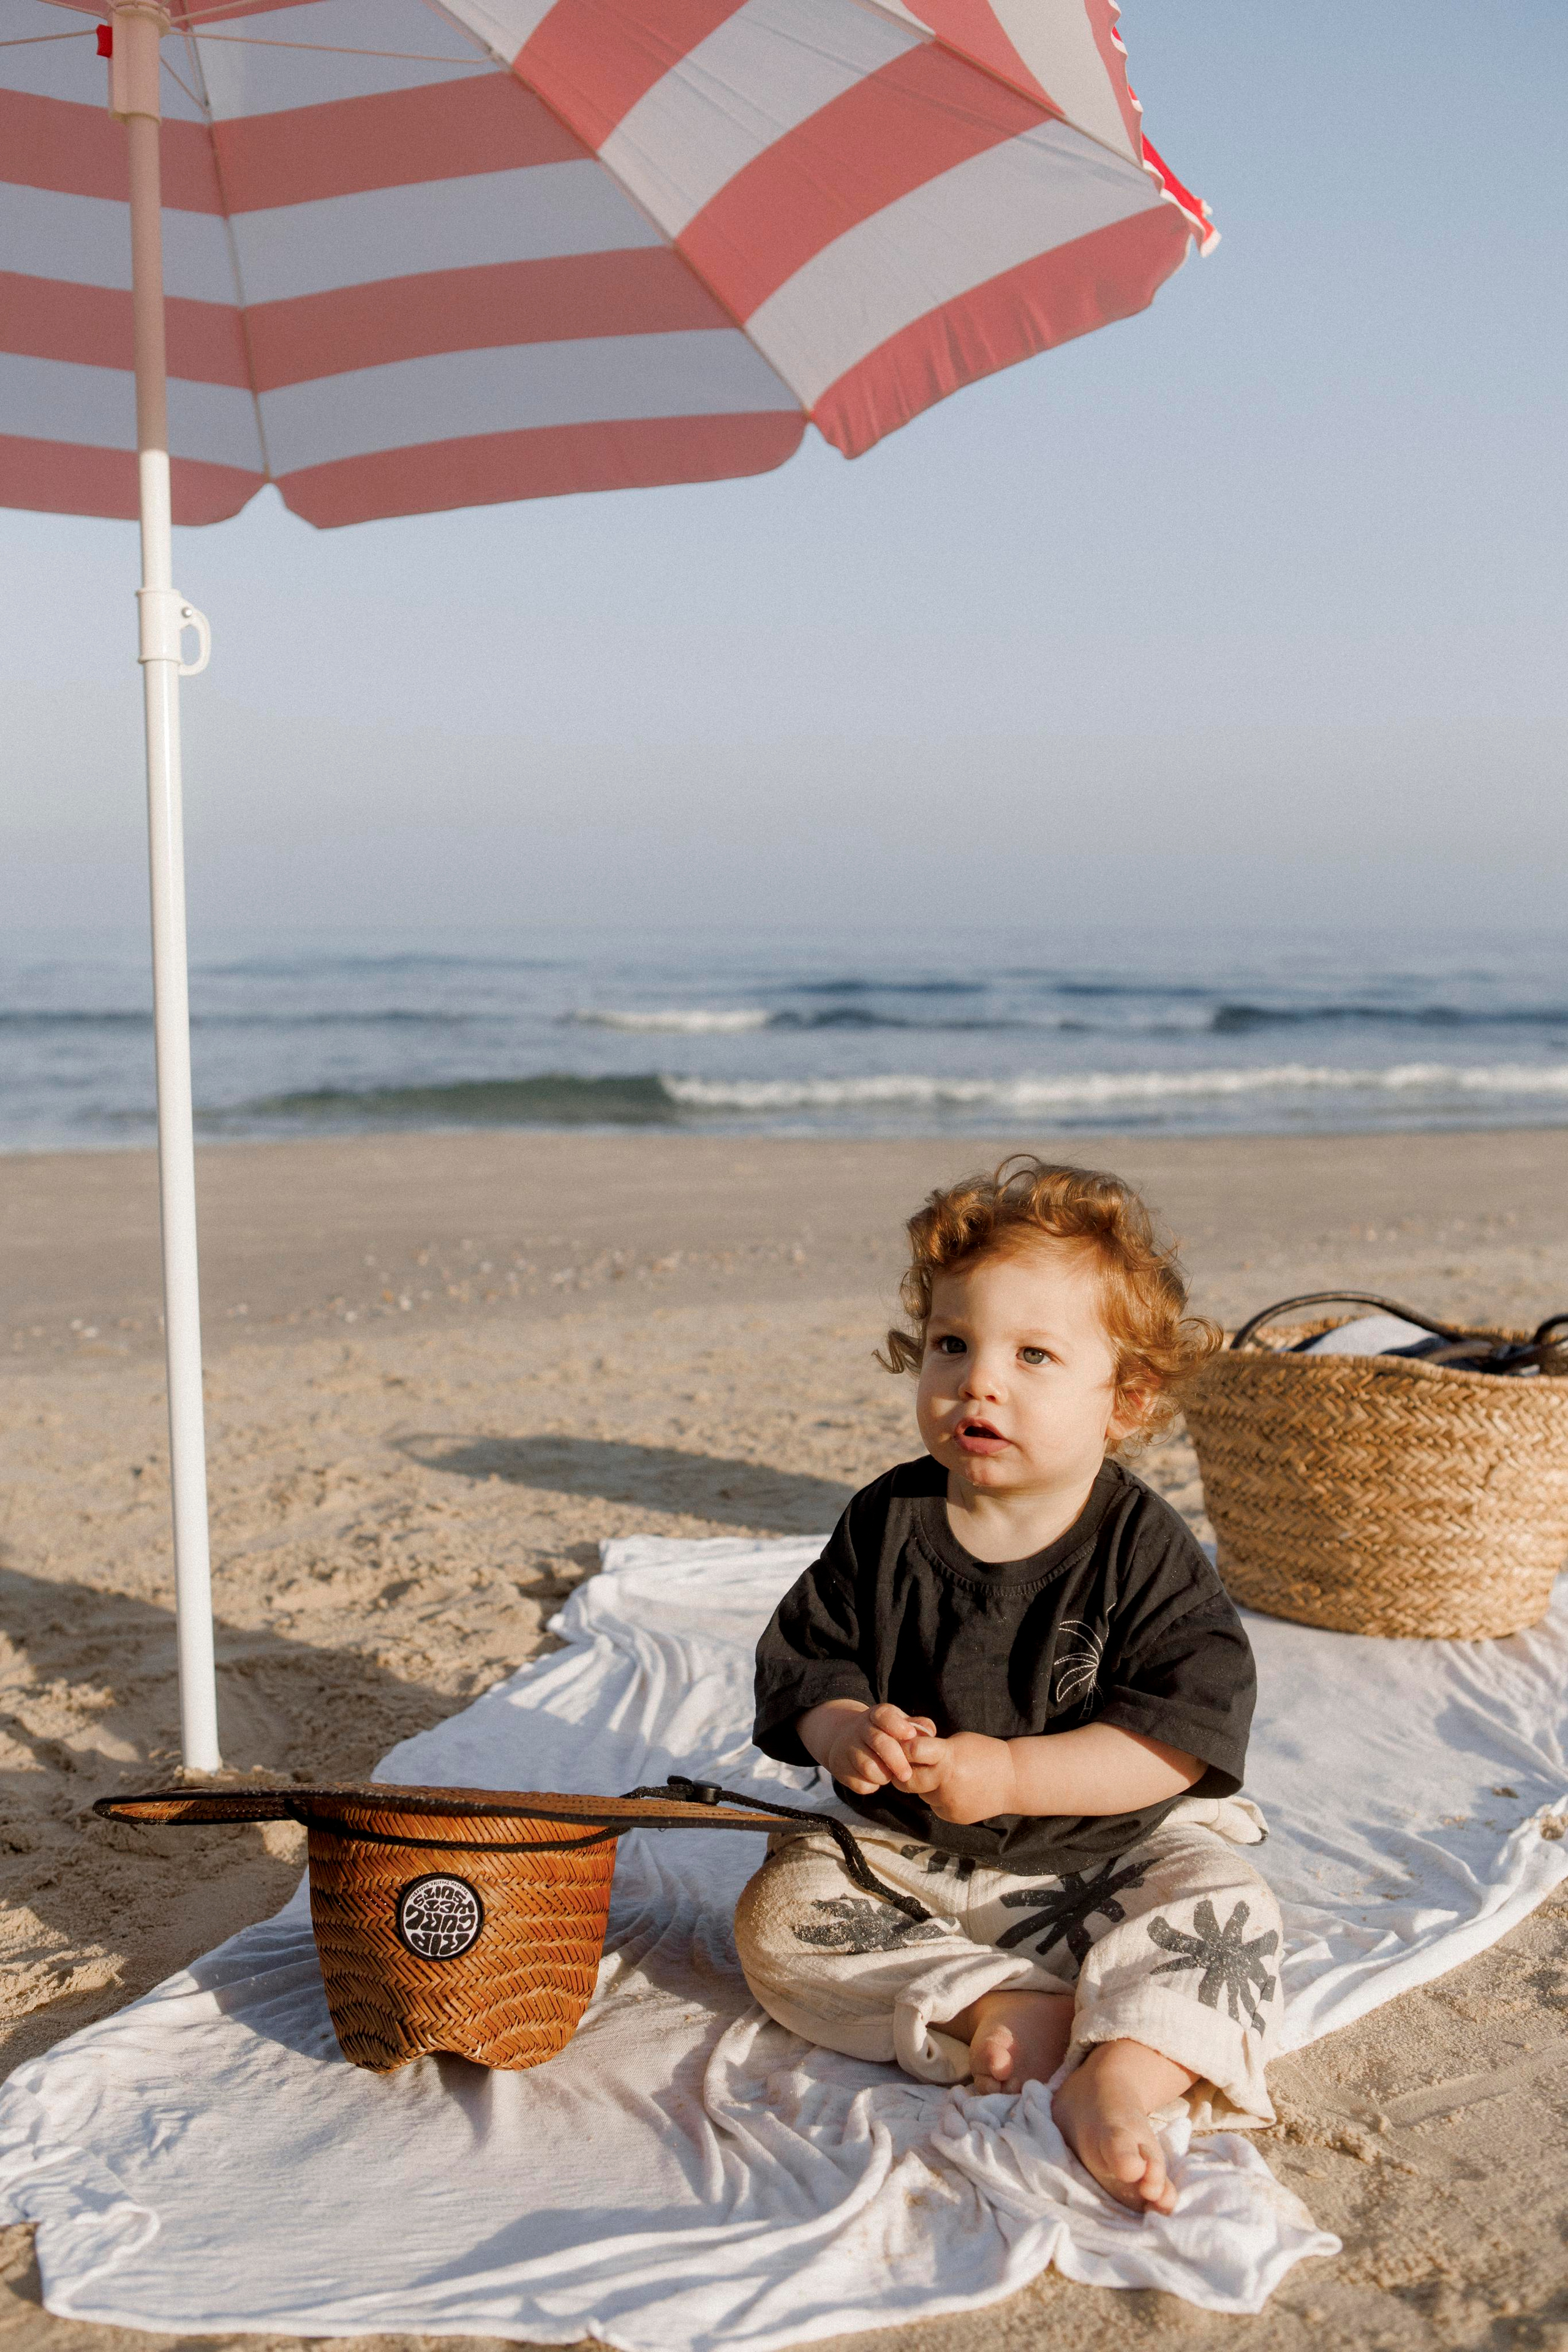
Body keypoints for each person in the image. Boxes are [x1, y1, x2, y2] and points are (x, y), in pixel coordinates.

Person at [736, 1157, 1280, 2218]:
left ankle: (1123, 2074)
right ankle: (1007, 2006)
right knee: (777, 1917)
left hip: (1101, 1859)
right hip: (904, 1859)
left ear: (1125, 1399)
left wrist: (1018, 1771)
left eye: (1033, 1354)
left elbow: (1178, 1732)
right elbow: (807, 1655)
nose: (979, 1380)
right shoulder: (888, 1523)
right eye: (953, 1345)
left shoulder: (1141, 1549)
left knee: (1230, 1913)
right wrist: (845, 1727)